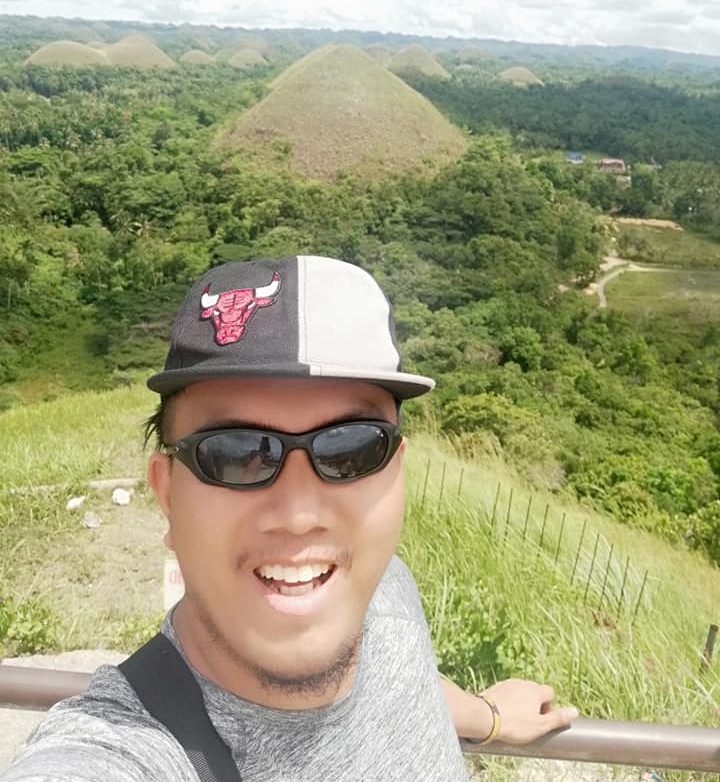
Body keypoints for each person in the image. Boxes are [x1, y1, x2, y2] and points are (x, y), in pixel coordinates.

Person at [4, 256, 577, 781]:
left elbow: (401, 675)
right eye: (233, 453)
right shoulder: (123, 751)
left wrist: (491, 717)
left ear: (396, 470)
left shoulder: (385, 588)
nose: (300, 516)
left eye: (351, 449)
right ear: (168, 494)